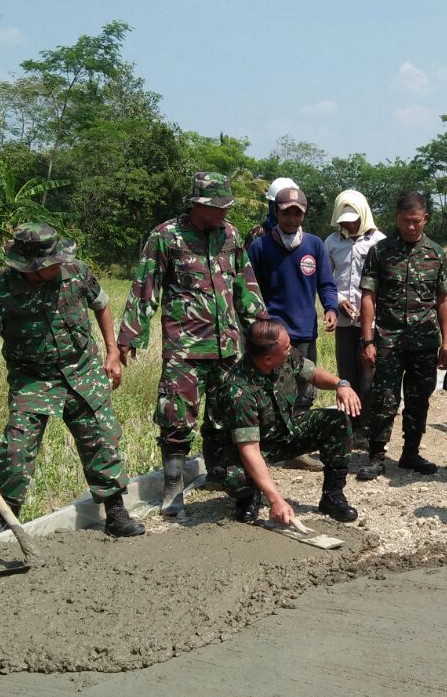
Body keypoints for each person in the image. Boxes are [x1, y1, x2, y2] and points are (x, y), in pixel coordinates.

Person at [0, 223, 144, 538]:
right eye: (50, 264)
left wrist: (111, 352)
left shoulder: (76, 272)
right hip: (33, 380)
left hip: (82, 371)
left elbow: (101, 305)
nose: (58, 266)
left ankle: (115, 511)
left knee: (102, 440)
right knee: (16, 450)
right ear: (29, 267)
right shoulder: (2, 291)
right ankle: (0, 521)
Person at [117, 172, 268, 519]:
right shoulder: (166, 236)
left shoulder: (230, 235)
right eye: (216, 207)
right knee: (175, 417)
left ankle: (224, 478)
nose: (223, 214)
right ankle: (173, 488)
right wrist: (129, 335)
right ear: (196, 204)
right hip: (185, 347)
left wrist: (260, 327)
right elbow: (145, 286)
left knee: (228, 414)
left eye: (226, 207)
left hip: (227, 345)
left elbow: (245, 285)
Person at [213, 319, 362, 524]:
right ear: (267, 359)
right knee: (235, 476)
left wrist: (341, 384)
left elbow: (313, 374)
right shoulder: (239, 391)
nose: (290, 349)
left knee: (337, 421)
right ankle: (248, 497)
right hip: (250, 448)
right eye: (286, 347)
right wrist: (276, 501)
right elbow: (250, 451)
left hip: (283, 432)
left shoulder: (284, 355)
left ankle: (332, 497)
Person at [357, 191, 447, 480]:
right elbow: (368, 296)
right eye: (403, 221)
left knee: (418, 398)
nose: (410, 227)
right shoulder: (380, 251)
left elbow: (444, 300)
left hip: (424, 341)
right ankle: (376, 456)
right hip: (388, 339)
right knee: (384, 398)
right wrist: (367, 340)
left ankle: (411, 453)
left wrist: (446, 343)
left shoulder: (436, 254)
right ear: (396, 219)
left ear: (425, 219)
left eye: (415, 221)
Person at [247, 185, 339, 414]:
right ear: (275, 213)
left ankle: (298, 443)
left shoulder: (314, 244)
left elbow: (326, 283)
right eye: (286, 212)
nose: (292, 218)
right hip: (273, 336)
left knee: (304, 393)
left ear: (304, 215)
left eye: (297, 213)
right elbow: (250, 290)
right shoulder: (261, 246)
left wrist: (331, 308)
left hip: (305, 332)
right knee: (273, 392)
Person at [324, 189, 385, 444]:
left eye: (354, 218)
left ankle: (369, 427)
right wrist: (338, 301)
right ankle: (352, 425)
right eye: (345, 219)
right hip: (345, 321)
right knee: (346, 373)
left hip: (371, 321)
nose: (349, 223)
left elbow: (385, 282)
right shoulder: (331, 243)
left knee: (369, 374)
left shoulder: (379, 242)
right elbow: (326, 280)